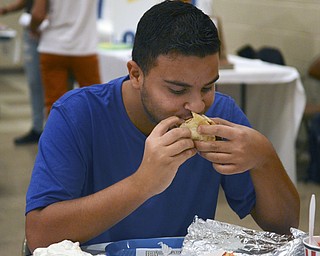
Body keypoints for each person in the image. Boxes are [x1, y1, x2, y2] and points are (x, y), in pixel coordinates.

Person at [25, 0, 300, 252]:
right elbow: (39, 235)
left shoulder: (222, 115)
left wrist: (264, 157)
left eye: (208, 86)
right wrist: (143, 184)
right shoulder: (78, 115)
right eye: (177, 90)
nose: (197, 106)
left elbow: (285, 228)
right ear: (136, 74)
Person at [30, 0, 101, 116]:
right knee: (95, 105)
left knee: (56, 108)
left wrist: (33, 29)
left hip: (53, 46)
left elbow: (38, 14)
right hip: (85, 47)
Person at [0, 0, 44, 145]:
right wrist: (6, 10)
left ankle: (44, 129)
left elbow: (37, 14)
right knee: (39, 85)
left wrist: (33, 26)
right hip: (46, 31)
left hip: (46, 32)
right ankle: (40, 128)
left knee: (45, 86)